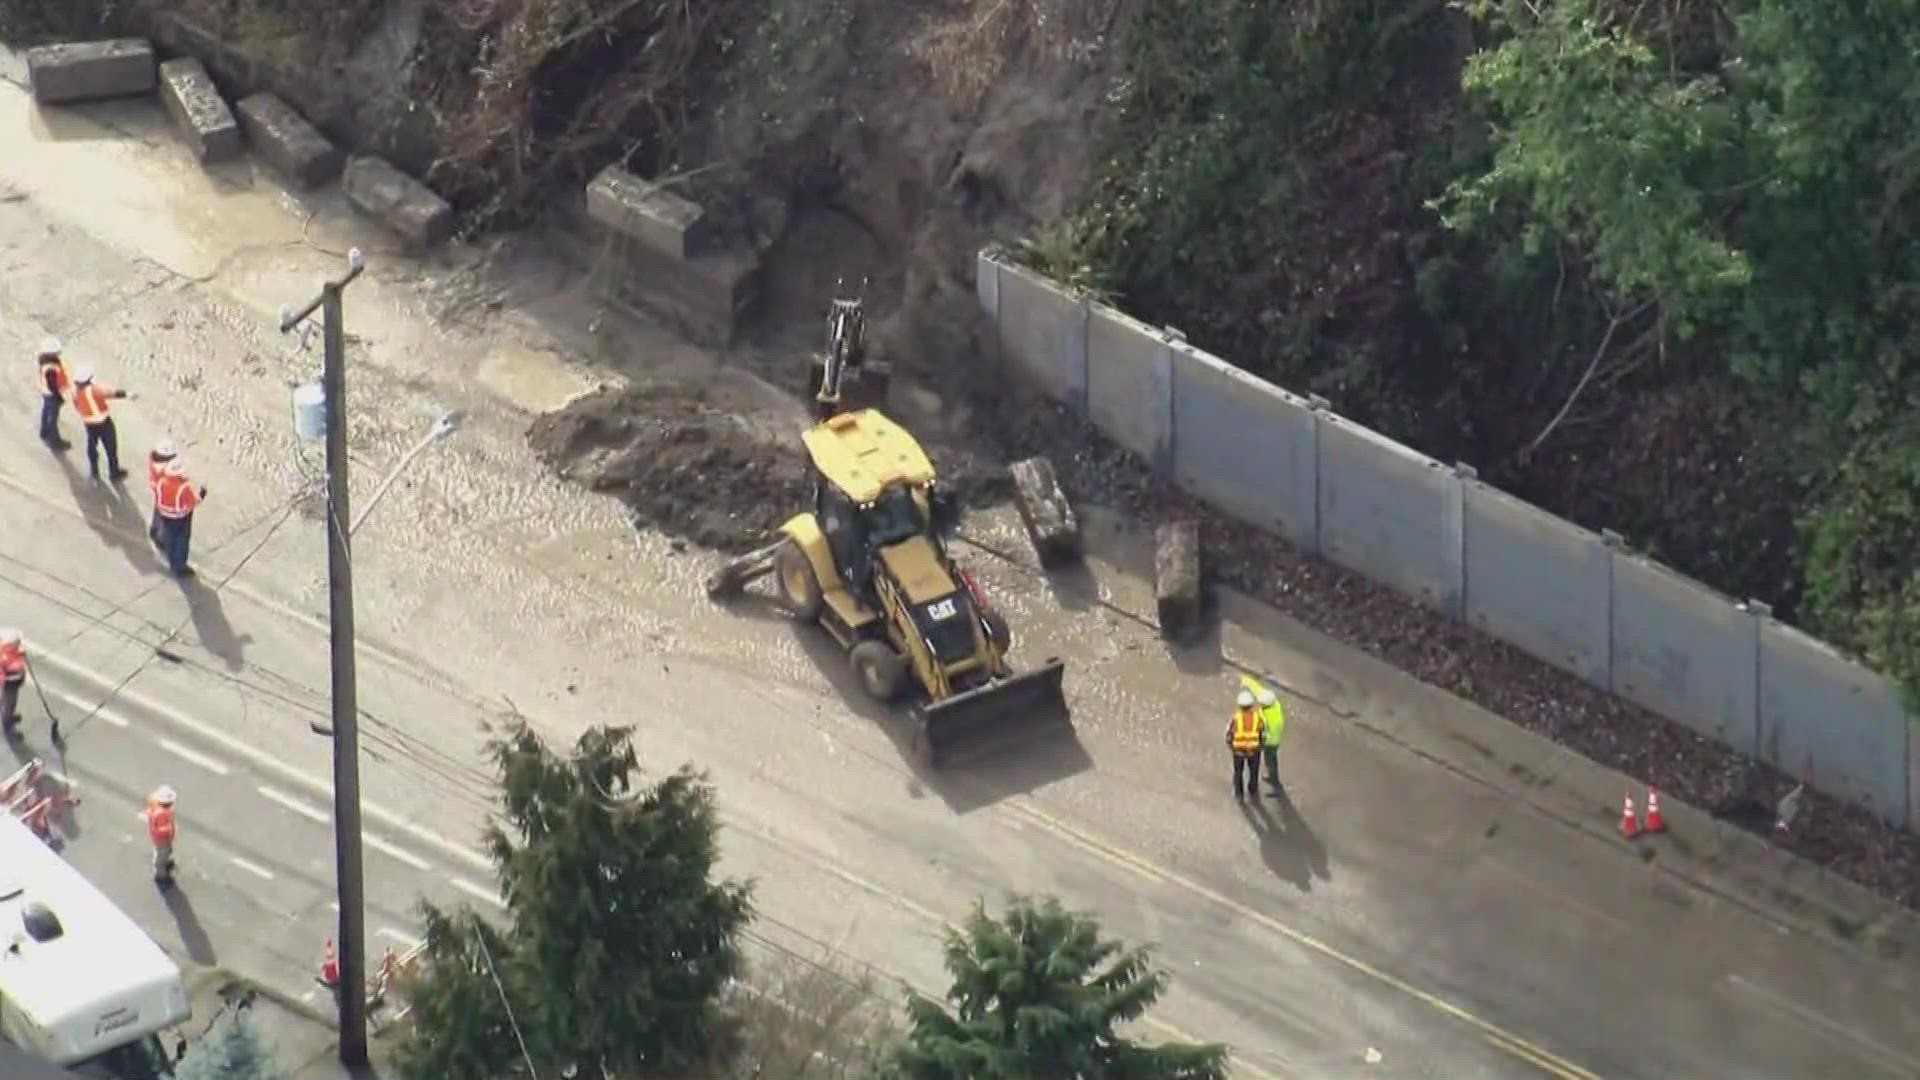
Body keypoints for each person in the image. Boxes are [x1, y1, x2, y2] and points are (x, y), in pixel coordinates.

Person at [69, 366, 131, 481]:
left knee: (92, 447)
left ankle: (94, 471)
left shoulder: (74, 392)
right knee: (110, 448)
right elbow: (111, 393)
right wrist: (128, 394)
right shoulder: (94, 390)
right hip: (103, 422)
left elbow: (77, 407)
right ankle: (114, 472)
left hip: (88, 423)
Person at [153, 459, 206, 578]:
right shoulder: (183, 487)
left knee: (170, 537)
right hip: (181, 517)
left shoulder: (161, 482)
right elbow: (193, 502)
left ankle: (170, 557)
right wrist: (202, 495)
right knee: (181, 540)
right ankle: (180, 566)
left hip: (165, 515)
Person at [1225, 689, 1266, 800]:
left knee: (1238, 772)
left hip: (1238, 750)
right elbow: (1262, 733)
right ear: (1251, 705)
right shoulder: (1257, 718)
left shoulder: (1236, 718)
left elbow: (1229, 734)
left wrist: (1231, 746)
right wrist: (1260, 746)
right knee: (1253, 772)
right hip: (1254, 750)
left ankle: (1239, 792)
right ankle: (1252, 791)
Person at [35, 338, 71, 449]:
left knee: (46, 412)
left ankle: (44, 432)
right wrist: (59, 397)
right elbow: (53, 386)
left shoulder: (44, 360)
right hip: (52, 395)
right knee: (52, 418)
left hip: (46, 392)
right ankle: (55, 441)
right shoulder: (51, 368)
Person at [147, 439, 178, 547]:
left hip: (158, 491)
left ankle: (154, 529)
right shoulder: (165, 470)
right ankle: (160, 539)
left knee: (157, 511)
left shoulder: (153, 458)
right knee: (164, 518)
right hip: (165, 495)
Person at [144, 785, 178, 886]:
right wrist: (168, 828)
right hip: (162, 839)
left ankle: (166, 861)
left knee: (165, 851)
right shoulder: (161, 814)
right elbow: (159, 829)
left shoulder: (155, 803)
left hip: (160, 838)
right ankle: (161, 875)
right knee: (161, 855)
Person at [0, 629, 24, 738]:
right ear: (11, 644)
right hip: (10, 685)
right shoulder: (6, 659)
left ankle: (7, 714)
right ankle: (8, 727)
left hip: (12, 684)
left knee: (6, 700)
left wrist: (20, 653)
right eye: (17, 641)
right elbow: (14, 669)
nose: (19, 642)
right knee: (10, 704)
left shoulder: (9, 651)